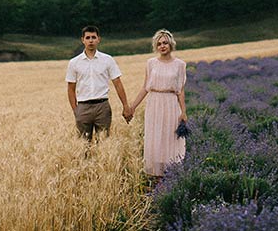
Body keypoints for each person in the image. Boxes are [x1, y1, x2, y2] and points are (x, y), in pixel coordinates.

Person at [129, 29, 187, 180]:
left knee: (171, 139)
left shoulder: (180, 65)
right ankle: (157, 179)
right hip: (154, 104)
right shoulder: (151, 63)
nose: (162, 46)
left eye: (165, 43)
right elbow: (145, 87)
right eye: (159, 44)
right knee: (156, 140)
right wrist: (133, 107)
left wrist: (183, 112)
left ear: (171, 44)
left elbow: (180, 90)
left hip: (171, 104)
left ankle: (172, 176)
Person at [65, 25, 132, 140]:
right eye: (87, 38)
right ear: (82, 40)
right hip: (83, 107)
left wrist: (125, 106)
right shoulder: (74, 63)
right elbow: (71, 88)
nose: (91, 40)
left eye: (93, 37)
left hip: (103, 107)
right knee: (83, 145)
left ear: (98, 39)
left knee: (105, 144)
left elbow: (118, 83)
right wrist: (76, 110)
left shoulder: (107, 60)